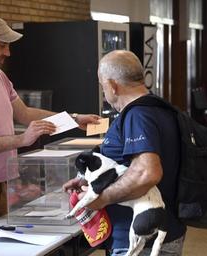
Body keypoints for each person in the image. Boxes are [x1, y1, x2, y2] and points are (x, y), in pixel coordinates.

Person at [0, 14, 100, 229]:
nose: (7, 53)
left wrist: (73, 119)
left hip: (3, 183)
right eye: (1, 46)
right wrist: (21, 140)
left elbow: (25, 113)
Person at [63, 50, 186, 256]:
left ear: (112, 85)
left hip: (140, 242)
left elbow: (147, 173)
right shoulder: (158, 108)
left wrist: (100, 199)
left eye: (103, 86)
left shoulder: (137, 115)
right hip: (161, 231)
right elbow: (127, 167)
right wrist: (92, 180)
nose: (105, 92)